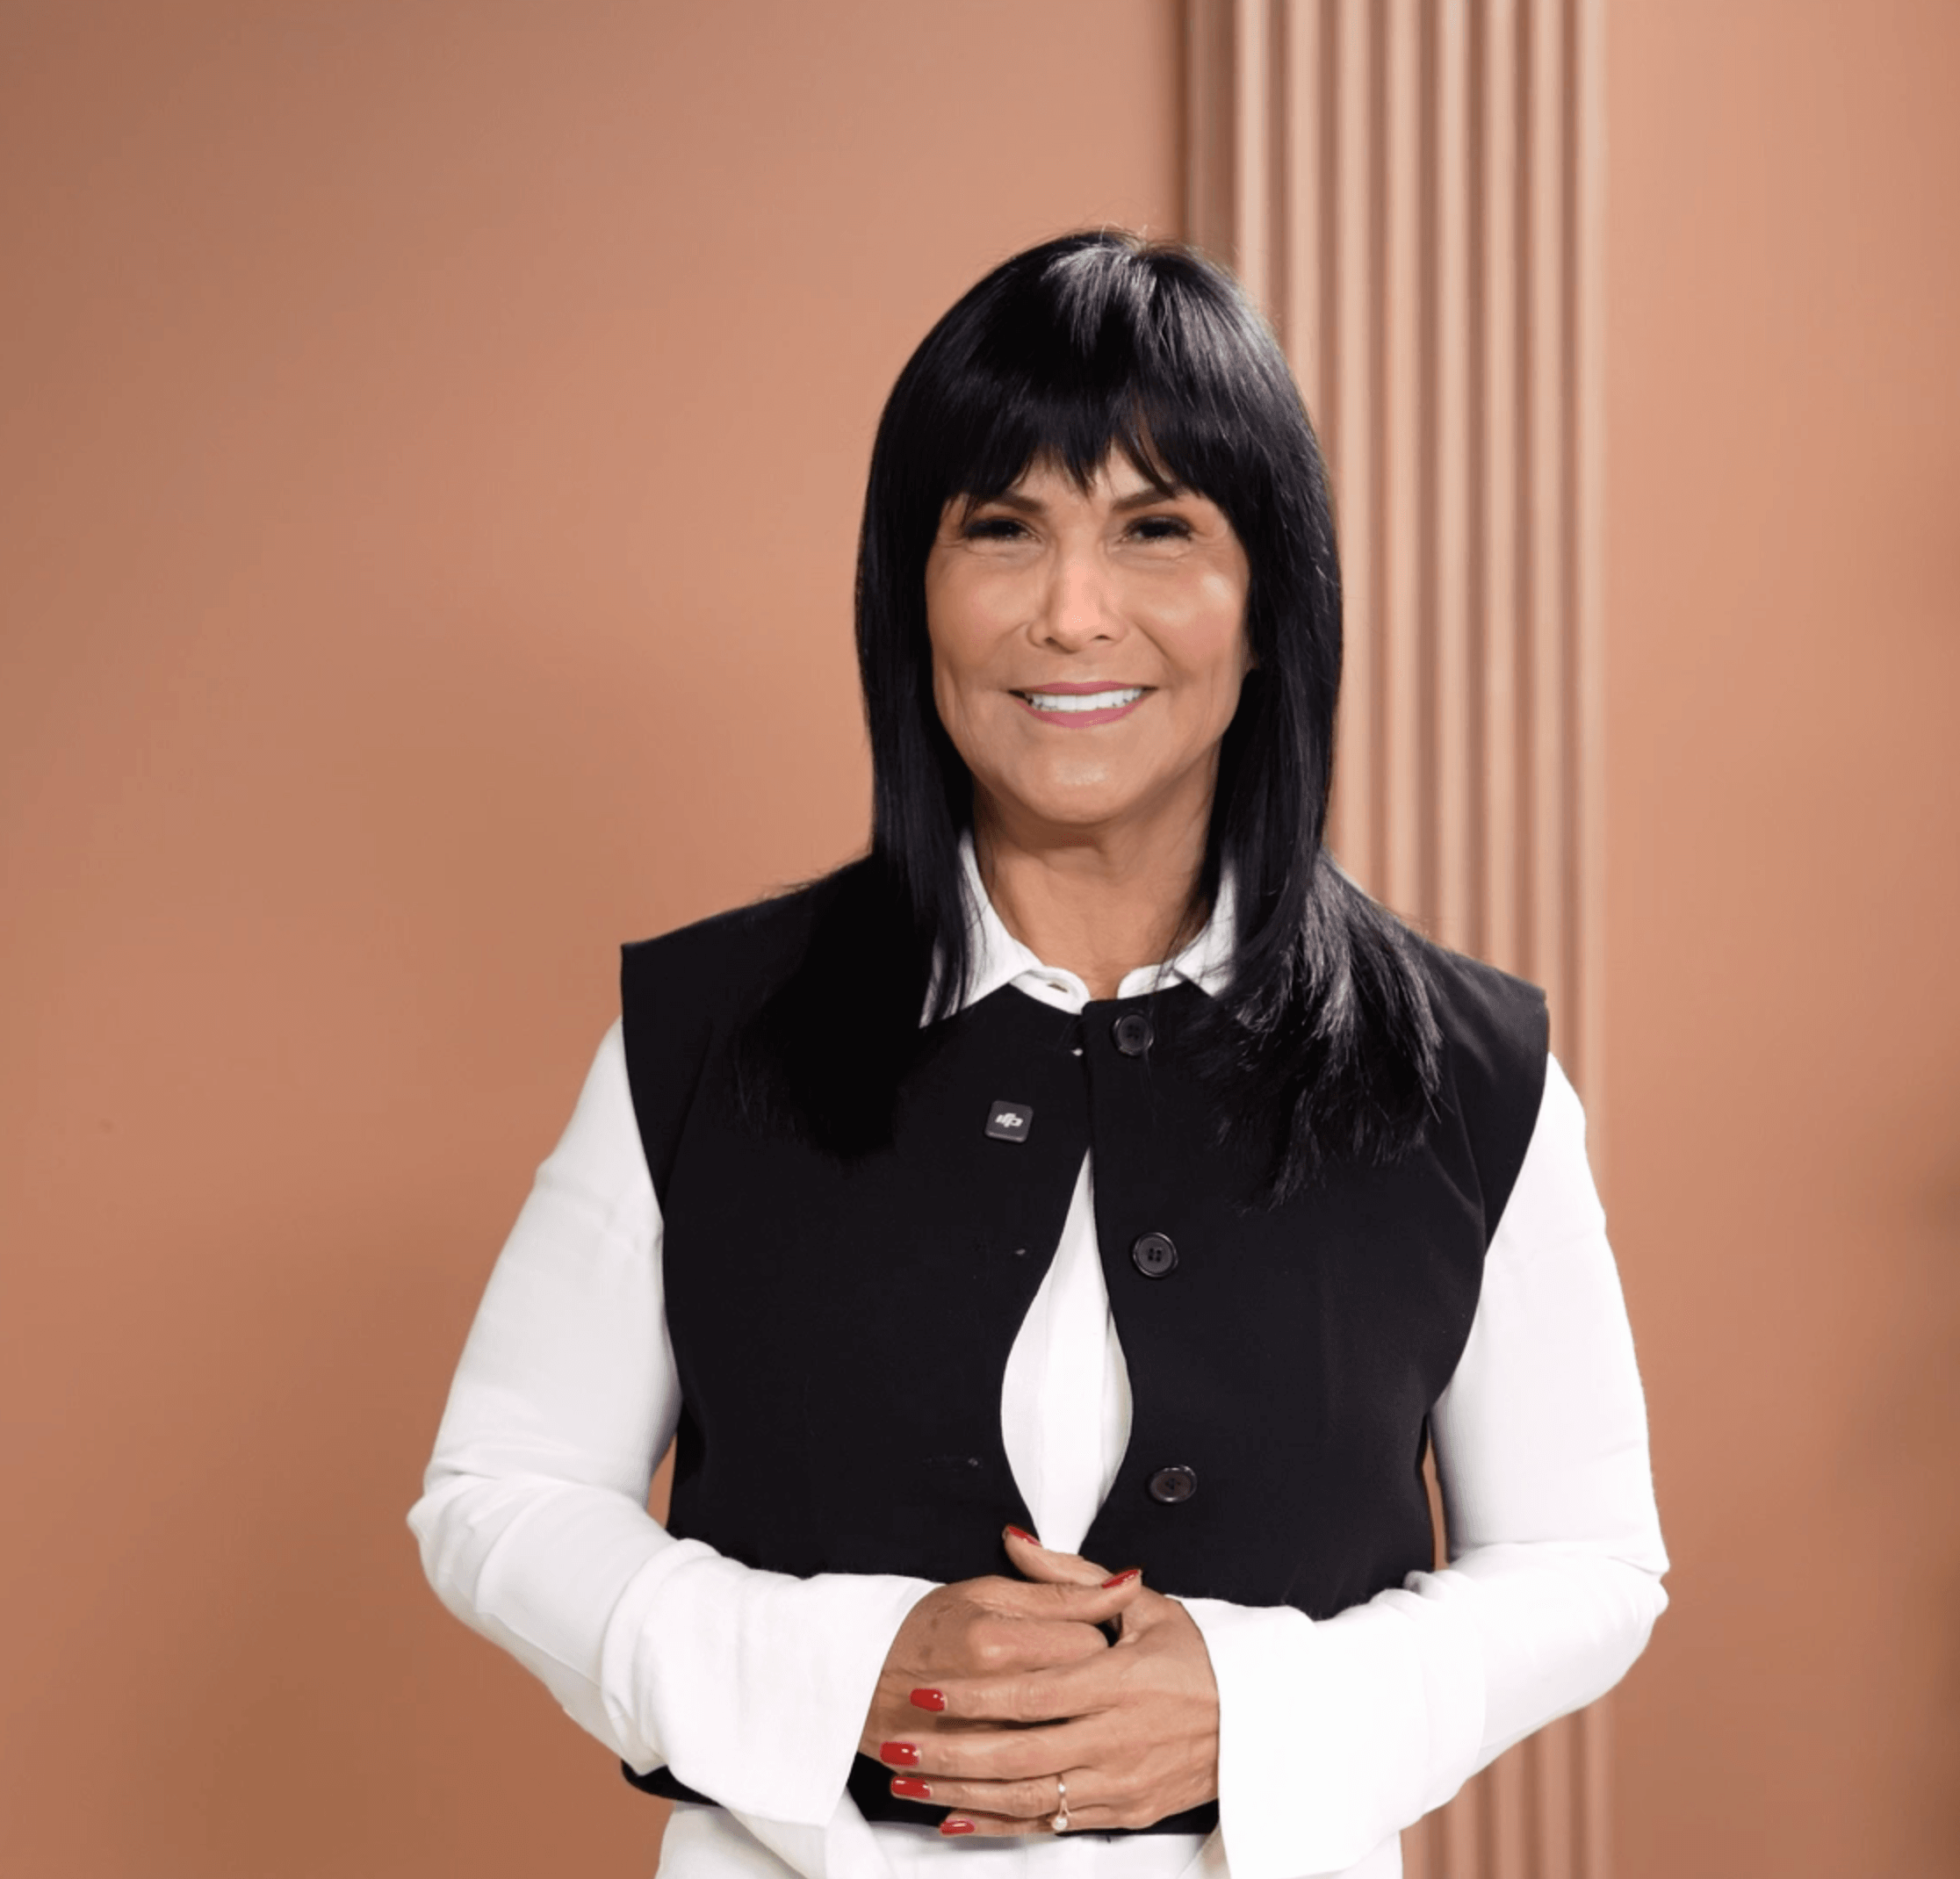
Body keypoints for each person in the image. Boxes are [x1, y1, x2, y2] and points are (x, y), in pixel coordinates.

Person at [408, 229, 1665, 1879]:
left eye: (1157, 532)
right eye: (1003, 529)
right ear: (910, 595)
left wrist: (1257, 1701)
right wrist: (842, 1675)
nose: (1075, 614)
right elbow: (496, 1494)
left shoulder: (1470, 1075)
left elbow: (1586, 1563)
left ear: (1270, 602)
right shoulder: (706, 1034)